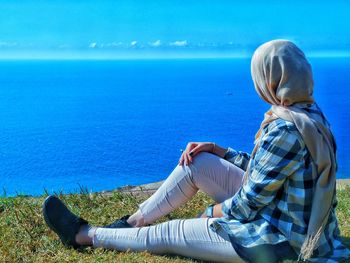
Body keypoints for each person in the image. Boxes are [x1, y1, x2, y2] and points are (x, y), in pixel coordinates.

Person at [43, 40, 350, 263]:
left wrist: (209, 213)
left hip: (278, 240)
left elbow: (247, 206)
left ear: (270, 78)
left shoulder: (285, 128)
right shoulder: (308, 115)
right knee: (199, 162)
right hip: (283, 216)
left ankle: (84, 235)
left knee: (168, 234)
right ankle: (131, 223)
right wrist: (218, 150)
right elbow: (266, 170)